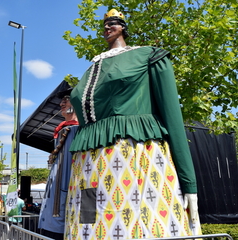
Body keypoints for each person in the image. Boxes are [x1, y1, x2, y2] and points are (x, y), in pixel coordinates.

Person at [64, 8, 202, 240]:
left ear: (124, 27)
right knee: (87, 226)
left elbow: (173, 119)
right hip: (86, 171)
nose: (107, 27)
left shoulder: (147, 56)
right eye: (105, 24)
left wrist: (190, 183)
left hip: (132, 159)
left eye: (114, 22)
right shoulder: (91, 68)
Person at [38, 87, 79, 240]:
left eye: (66, 100)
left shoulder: (76, 129)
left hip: (61, 215)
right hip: (51, 215)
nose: (61, 103)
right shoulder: (63, 129)